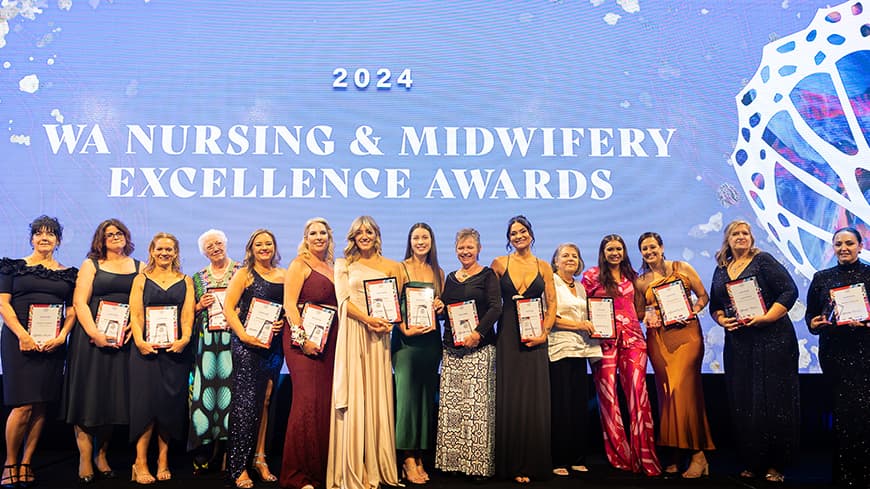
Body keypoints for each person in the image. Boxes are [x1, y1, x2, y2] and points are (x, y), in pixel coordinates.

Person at [708, 220, 799, 483]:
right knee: (745, 402)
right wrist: (722, 320)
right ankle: (753, 461)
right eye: (735, 233)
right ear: (727, 239)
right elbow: (717, 305)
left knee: (774, 402)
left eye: (745, 233)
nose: (740, 237)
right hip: (739, 343)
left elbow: (789, 291)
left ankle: (776, 465)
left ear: (751, 237)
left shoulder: (764, 260)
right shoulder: (721, 269)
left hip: (773, 339)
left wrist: (768, 318)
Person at [0, 216, 78, 489]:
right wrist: (23, 335)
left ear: (58, 240)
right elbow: (3, 304)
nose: (44, 238)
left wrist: (61, 336)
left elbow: (73, 310)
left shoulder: (69, 273)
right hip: (18, 340)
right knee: (22, 406)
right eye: (39, 234)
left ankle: (27, 462)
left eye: (50, 234)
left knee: (41, 404)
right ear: (31, 238)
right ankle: (10, 463)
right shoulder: (12, 267)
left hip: (53, 343)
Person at [62, 219, 140, 484]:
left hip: (121, 341)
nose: (115, 237)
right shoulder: (91, 265)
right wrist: (94, 333)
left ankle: (101, 455)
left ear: (126, 236)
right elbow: (79, 302)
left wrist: (133, 325)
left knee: (112, 400)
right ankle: (84, 458)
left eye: (119, 233)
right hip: (90, 340)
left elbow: (140, 304)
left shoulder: (139, 266)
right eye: (109, 234)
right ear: (101, 240)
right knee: (87, 397)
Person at [326, 216, 402, 489]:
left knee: (377, 396)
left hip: (379, 336)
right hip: (354, 333)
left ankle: (377, 466)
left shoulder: (390, 266)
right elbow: (343, 301)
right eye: (359, 232)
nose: (365, 236)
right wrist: (369, 320)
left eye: (369, 231)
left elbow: (395, 304)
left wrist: (387, 321)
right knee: (356, 395)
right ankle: (353, 468)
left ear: (376, 235)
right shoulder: (343, 264)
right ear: (353, 237)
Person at [635, 232, 714, 478]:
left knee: (684, 392)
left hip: (687, 336)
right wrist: (649, 314)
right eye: (644, 249)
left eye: (652, 247)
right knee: (668, 396)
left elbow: (704, 296)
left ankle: (699, 456)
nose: (649, 252)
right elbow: (639, 312)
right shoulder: (641, 281)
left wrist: (694, 310)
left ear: (662, 247)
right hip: (659, 340)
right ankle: (677, 454)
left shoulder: (682, 267)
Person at [581, 234, 660, 477]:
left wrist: (651, 313)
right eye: (610, 249)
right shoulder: (591, 276)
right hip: (604, 342)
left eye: (618, 249)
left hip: (634, 339)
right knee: (609, 399)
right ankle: (620, 456)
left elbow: (639, 309)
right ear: (603, 252)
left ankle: (644, 456)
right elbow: (581, 305)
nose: (614, 253)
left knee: (638, 394)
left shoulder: (633, 277)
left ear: (624, 251)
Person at [490, 215, 555, 484]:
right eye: (513, 233)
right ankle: (513, 462)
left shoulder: (543, 267)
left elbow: (551, 304)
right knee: (511, 397)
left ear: (531, 234)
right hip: (507, 336)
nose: (518, 236)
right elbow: (489, 300)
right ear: (508, 238)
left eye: (522, 231)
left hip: (535, 337)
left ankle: (533, 461)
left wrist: (544, 334)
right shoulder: (499, 263)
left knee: (534, 399)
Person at [804, 226, 870, 488]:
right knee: (841, 415)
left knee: (863, 415)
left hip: (865, 352)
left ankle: (863, 474)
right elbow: (811, 315)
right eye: (838, 244)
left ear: (860, 246)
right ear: (832, 248)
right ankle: (842, 474)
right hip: (833, 353)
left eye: (849, 243)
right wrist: (815, 323)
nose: (844, 248)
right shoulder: (822, 277)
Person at [434, 228, 501, 480]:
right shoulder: (450, 277)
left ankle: (477, 466)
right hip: (451, 349)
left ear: (479, 249)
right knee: (452, 409)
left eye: (470, 247)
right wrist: (439, 307)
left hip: (479, 348)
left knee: (476, 409)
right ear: (456, 250)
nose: (465, 252)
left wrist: (478, 333)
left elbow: (496, 308)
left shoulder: (487, 275)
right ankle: (452, 463)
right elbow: (446, 310)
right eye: (461, 248)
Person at [128, 232, 194, 484]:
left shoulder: (185, 280)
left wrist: (185, 338)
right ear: (152, 251)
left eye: (169, 249)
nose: (165, 253)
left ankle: (163, 460)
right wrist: (139, 341)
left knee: (169, 406)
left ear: (176, 252)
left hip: (176, 352)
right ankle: (140, 462)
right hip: (146, 351)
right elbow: (136, 315)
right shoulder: (141, 279)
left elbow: (188, 315)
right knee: (145, 407)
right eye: (160, 249)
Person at [223, 229, 285, 489]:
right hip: (247, 345)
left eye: (268, 243)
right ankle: (238, 465)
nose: (264, 248)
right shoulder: (244, 273)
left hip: (272, 347)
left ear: (274, 247)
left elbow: (290, 306)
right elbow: (228, 307)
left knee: (266, 400)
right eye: (259, 244)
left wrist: (284, 322)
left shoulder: (284, 275)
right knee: (246, 404)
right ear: (251, 248)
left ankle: (259, 458)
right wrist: (244, 336)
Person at [280, 218, 339, 489]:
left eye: (322, 233)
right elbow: (289, 305)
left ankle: (321, 470)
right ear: (305, 237)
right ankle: (298, 474)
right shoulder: (298, 265)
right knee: (306, 403)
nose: (318, 237)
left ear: (329, 237)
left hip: (331, 342)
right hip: (302, 344)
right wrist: (302, 340)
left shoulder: (334, 267)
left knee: (323, 405)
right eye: (313, 233)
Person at [392, 223, 444, 484]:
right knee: (407, 399)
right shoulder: (399, 268)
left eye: (425, 237)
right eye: (416, 237)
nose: (421, 241)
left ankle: (420, 455)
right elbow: (391, 303)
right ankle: (406, 458)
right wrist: (404, 329)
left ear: (431, 241)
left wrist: (440, 305)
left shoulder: (438, 271)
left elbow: (442, 309)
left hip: (431, 344)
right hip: (406, 343)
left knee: (424, 399)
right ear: (409, 241)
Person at [188, 229, 243, 474]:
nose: (215, 248)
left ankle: (229, 455)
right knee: (205, 397)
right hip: (207, 345)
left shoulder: (242, 271)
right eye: (209, 246)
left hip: (234, 341)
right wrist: (200, 305)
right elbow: (189, 312)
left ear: (226, 243)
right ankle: (205, 452)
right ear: (204, 251)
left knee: (233, 396)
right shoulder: (198, 278)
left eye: (218, 243)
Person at [547, 243, 601, 477]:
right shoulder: (551, 283)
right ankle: (559, 458)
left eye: (575, 256)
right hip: (559, 349)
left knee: (578, 406)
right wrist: (579, 325)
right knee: (561, 406)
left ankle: (577, 457)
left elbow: (588, 317)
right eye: (565, 255)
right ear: (556, 261)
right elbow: (550, 318)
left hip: (581, 350)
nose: (570, 259)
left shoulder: (580, 287)